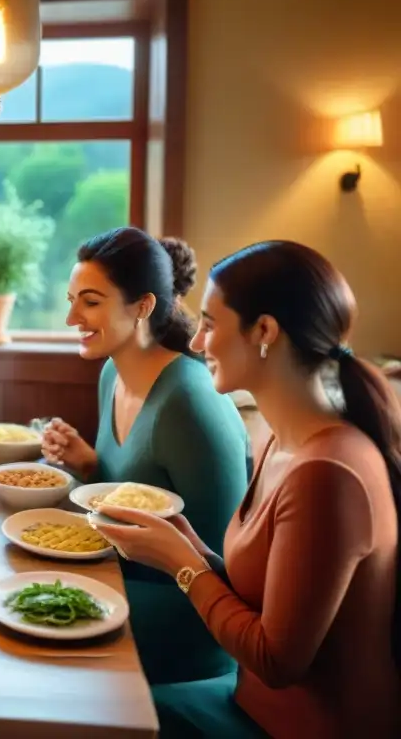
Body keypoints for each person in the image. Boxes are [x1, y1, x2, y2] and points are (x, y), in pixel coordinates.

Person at [93, 241, 401, 738]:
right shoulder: (278, 437)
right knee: (101, 702)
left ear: (264, 332)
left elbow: (277, 661)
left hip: (300, 727)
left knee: (108, 718)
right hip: (248, 699)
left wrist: (183, 564)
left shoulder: (329, 473)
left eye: (210, 325)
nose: (195, 343)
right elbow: (266, 593)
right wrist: (187, 542)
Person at [41, 227, 250, 685]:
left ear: (143, 305)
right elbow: (136, 488)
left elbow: (227, 569)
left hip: (190, 623)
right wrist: (88, 465)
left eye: (90, 302)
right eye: (71, 299)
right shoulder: (112, 374)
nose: (71, 316)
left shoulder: (191, 404)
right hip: (117, 580)